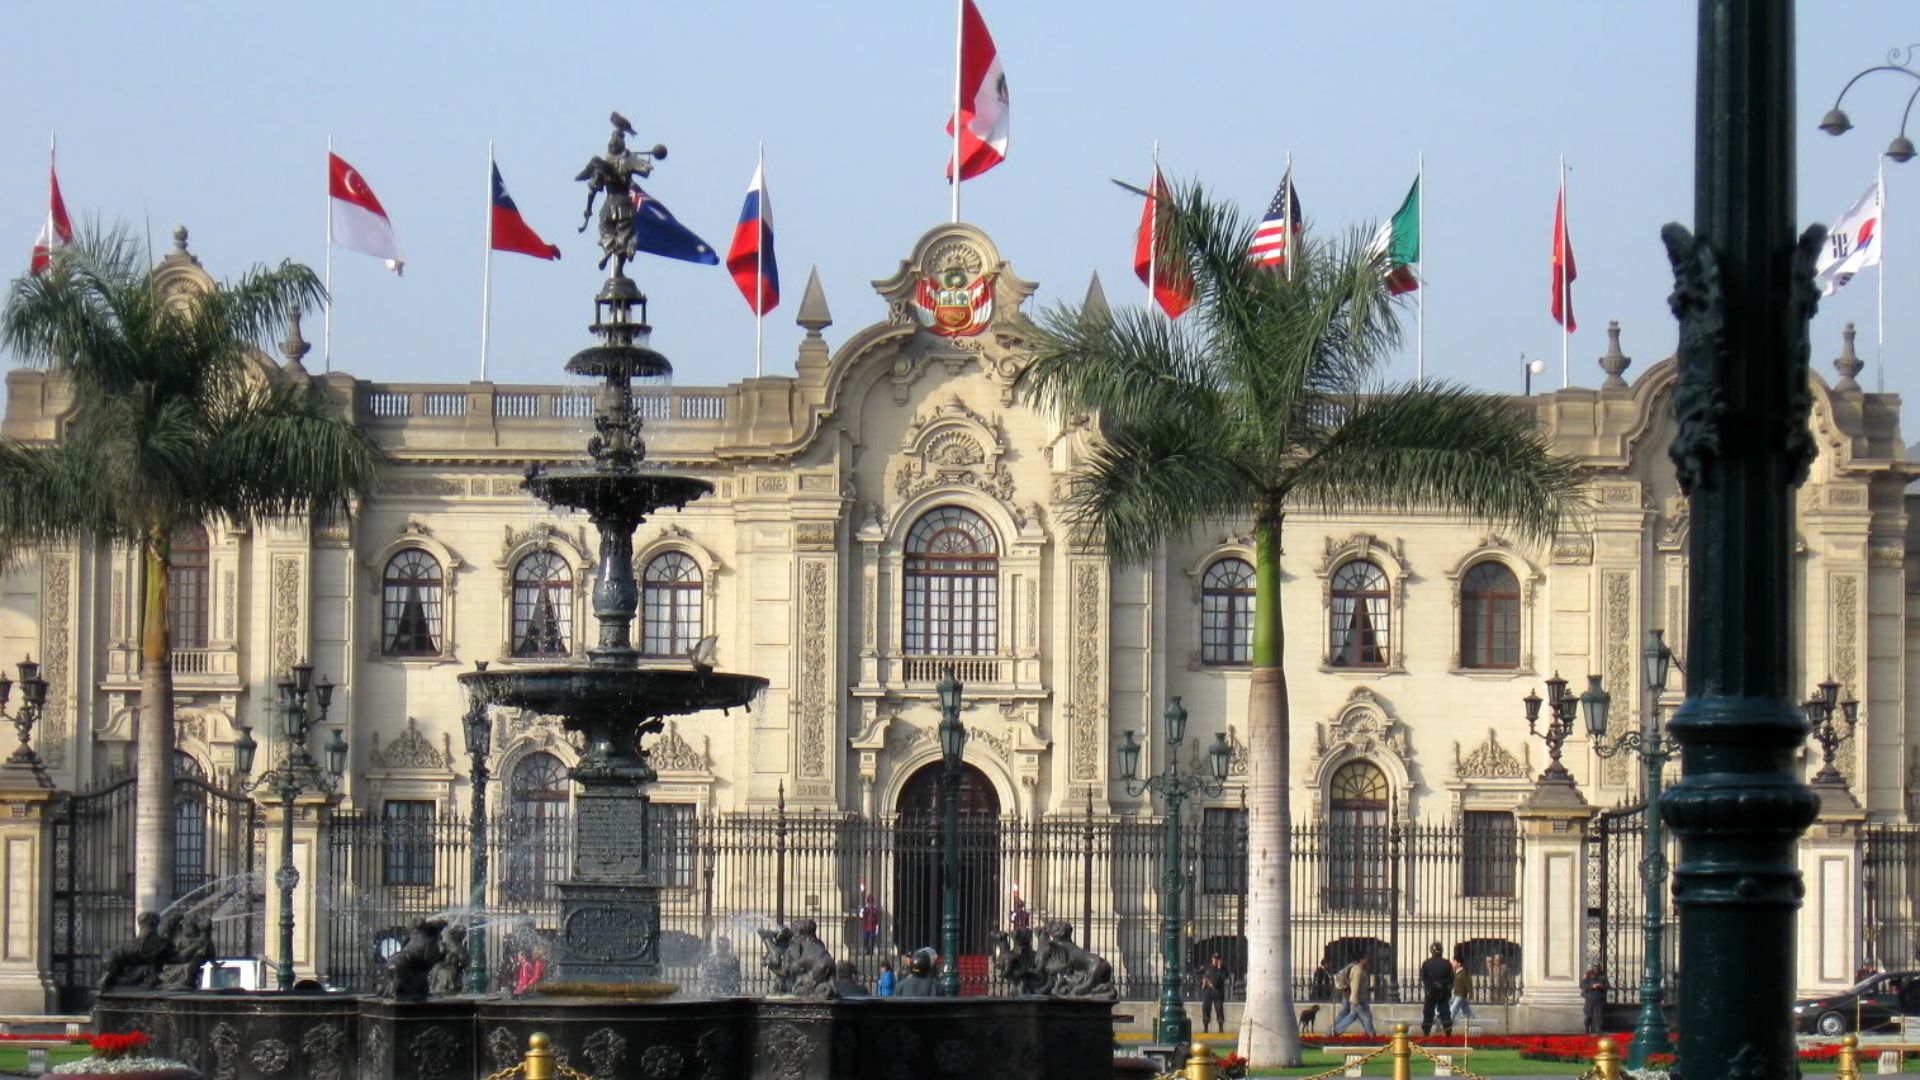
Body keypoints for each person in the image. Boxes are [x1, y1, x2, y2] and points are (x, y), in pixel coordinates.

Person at [1328, 955, 1377, 1037]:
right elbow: (1355, 985)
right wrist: (1355, 1000)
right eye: (1367, 959)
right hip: (1357, 999)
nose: (1369, 962)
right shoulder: (1358, 970)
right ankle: (1372, 1036)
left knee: (1352, 1016)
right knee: (1366, 1017)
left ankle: (1332, 1032)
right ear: (1361, 959)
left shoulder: (1360, 969)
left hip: (1355, 998)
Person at [1420, 942, 1455, 1036]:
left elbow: (1424, 978)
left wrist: (1429, 988)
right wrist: (1445, 987)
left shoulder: (1426, 963)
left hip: (1431, 992)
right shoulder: (1447, 963)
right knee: (1445, 1012)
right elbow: (1451, 978)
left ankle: (1426, 1031)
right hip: (1443, 991)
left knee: (1428, 1012)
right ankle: (1448, 1031)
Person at [1198, 953, 1229, 1034]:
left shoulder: (1223, 969)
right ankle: (1205, 1028)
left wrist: (1219, 968)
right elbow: (1198, 973)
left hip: (1218, 992)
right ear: (1212, 959)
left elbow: (1224, 977)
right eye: (1215, 958)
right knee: (1206, 1008)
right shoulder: (1207, 967)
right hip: (1208, 992)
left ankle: (1221, 1028)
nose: (1216, 960)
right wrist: (1202, 982)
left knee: (1219, 1009)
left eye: (1218, 959)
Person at [1580, 964, 1610, 1035]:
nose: (1596, 969)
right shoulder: (1587, 975)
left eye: (1597, 968)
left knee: (1599, 1015)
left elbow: (1608, 986)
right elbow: (1582, 985)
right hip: (1589, 998)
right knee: (1588, 1015)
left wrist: (1601, 986)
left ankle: (1599, 1030)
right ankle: (1587, 1030)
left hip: (1599, 998)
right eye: (1594, 967)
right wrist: (1592, 986)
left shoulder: (1603, 975)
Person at [1448, 957, 1475, 1024]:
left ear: (1459, 964)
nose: (1452, 963)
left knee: (1453, 1009)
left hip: (1461, 995)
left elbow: (1468, 985)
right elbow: (1454, 984)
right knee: (1466, 1011)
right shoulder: (1457, 972)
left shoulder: (1463, 973)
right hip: (1457, 994)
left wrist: (1471, 996)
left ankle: (1447, 1024)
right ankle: (1474, 1022)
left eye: (1454, 962)